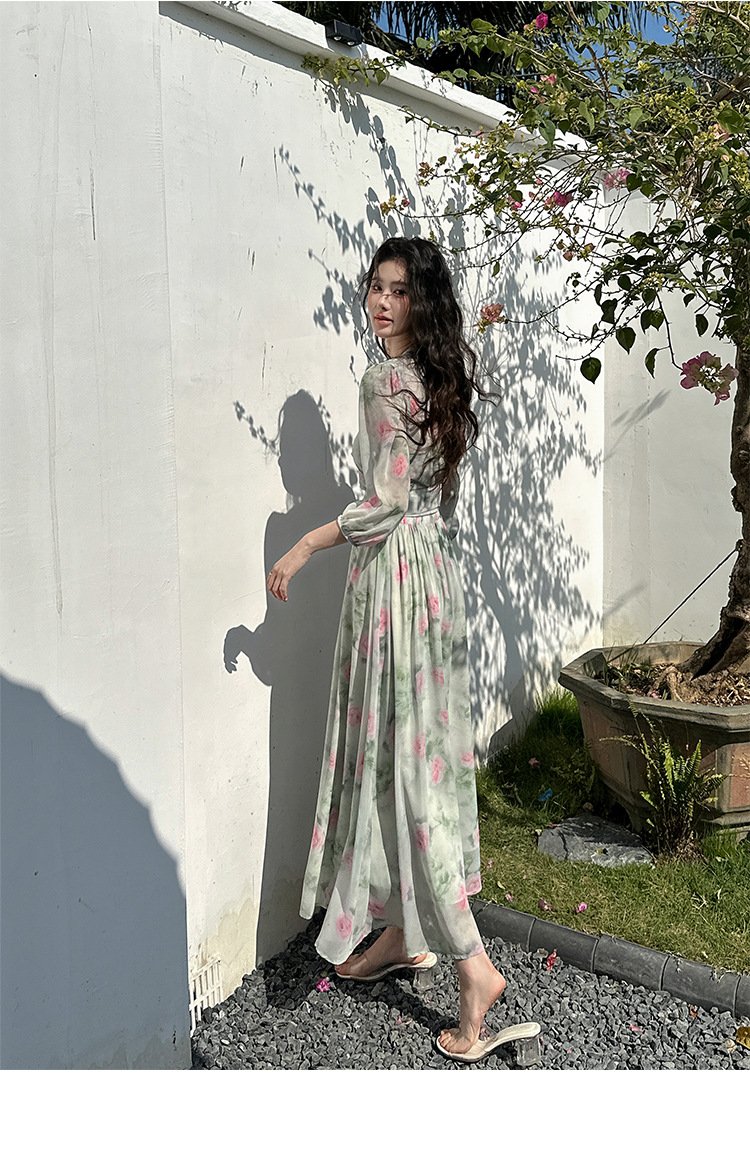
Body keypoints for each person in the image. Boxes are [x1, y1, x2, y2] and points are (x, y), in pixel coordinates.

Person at [266, 236, 505, 1062]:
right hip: (432, 577)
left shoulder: (382, 381)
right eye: (374, 286)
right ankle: (406, 934)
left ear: (420, 302)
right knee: (420, 758)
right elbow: (428, 497)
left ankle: (473, 966)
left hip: (395, 582)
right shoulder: (440, 380)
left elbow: (384, 502)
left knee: (403, 769)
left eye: (398, 291)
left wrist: (304, 543)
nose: (380, 302)